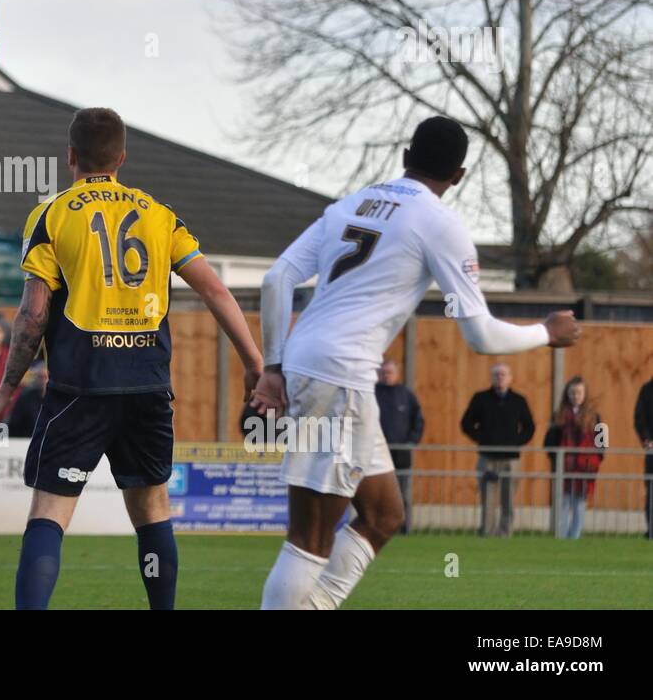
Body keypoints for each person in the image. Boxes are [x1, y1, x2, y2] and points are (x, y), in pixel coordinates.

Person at [252, 116, 579, 610]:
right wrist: (546, 334)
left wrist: (273, 367)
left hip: (313, 366)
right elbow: (482, 335)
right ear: (459, 176)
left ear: (406, 156)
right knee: (310, 537)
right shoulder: (439, 223)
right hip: (340, 375)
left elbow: (277, 279)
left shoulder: (350, 203)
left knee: (384, 514)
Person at [0, 107, 264, 610]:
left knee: (49, 512)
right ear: (122, 158)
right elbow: (216, 290)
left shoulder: (53, 213)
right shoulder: (158, 214)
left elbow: (31, 315)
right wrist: (254, 364)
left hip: (79, 388)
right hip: (147, 385)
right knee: (152, 509)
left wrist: (5, 390)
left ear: (71, 157)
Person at [461, 363, 536, 537]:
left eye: (503, 375)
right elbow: (466, 423)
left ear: (510, 378)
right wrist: (482, 439)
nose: (500, 377)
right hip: (487, 458)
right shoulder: (481, 399)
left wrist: (515, 442)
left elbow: (529, 427)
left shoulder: (519, 401)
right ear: (491, 378)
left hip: (510, 459)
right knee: (488, 497)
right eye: (496, 374)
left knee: (508, 498)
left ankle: (505, 532)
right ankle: (487, 532)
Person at [543, 376, 603, 539]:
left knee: (579, 505)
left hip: (585, 467)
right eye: (572, 393)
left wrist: (595, 460)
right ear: (567, 394)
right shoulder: (559, 416)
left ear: (585, 394)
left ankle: (575, 536)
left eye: (579, 393)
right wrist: (555, 460)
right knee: (564, 503)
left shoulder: (595, 416)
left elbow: (602, 441)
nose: (575, 396)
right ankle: (561, 537)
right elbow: (548, 441)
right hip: (565, 466)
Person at [374, 359, 424, 533]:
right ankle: (376, 527)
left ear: (397, 374)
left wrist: (411, 442)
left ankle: (404, 527)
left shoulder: (406, 395)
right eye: (383, 372)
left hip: (401, 454)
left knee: (402, 492)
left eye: (390, 372)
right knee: (375, 493)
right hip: (375, 454)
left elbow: (418, 421)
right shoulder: (372, 394)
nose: (386, 376)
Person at [636, 376, 653, 539]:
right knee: (652, 492)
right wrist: (647, 439)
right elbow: (640, 418)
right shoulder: (647, 390)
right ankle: (652, 530)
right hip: (652, 452)